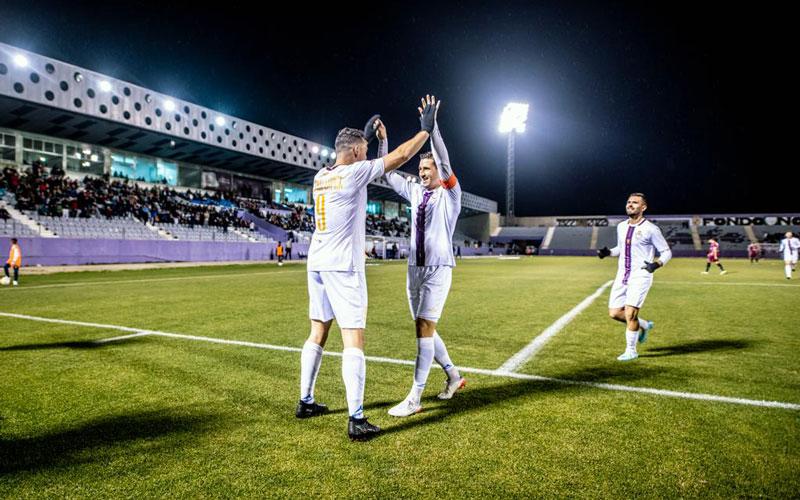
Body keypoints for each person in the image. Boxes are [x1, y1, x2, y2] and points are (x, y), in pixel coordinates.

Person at [296, 95, 438, 441]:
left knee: (318, 331)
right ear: (358, 153)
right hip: (343, 267)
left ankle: (306, 400)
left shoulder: (320, 175)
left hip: (317, 261)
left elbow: (350, 154)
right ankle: (356, 419)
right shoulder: (357, 171)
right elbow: (401, 156)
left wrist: (364, 139)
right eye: (363, 150)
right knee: (353, 339)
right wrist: (425, 130)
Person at [377, 96, 466, 417]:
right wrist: (384, 142)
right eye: (420, 169)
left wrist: (431, 129)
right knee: (423, 326)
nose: (423, 172)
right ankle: (453, 376)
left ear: (439, 172)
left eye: (427, 168)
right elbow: (387, 174)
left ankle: (414, 398)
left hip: (438, 268)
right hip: (413, 268)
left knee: (424, 327)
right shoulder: (415, 191)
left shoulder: (451, 194)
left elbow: (444, 158)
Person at [597, 193, 672, 361]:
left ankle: (631, 350)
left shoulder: (651, 229)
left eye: (635, 203)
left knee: (630, 314)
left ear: (643, 207)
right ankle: (644, 325)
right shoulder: (621, 226)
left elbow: (666, 252)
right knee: (615, 313)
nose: (630, 205)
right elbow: (620, 249)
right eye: (629, 202)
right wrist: (608, 252)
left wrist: (656, 264)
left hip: (641, 276)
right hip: (622, 275)